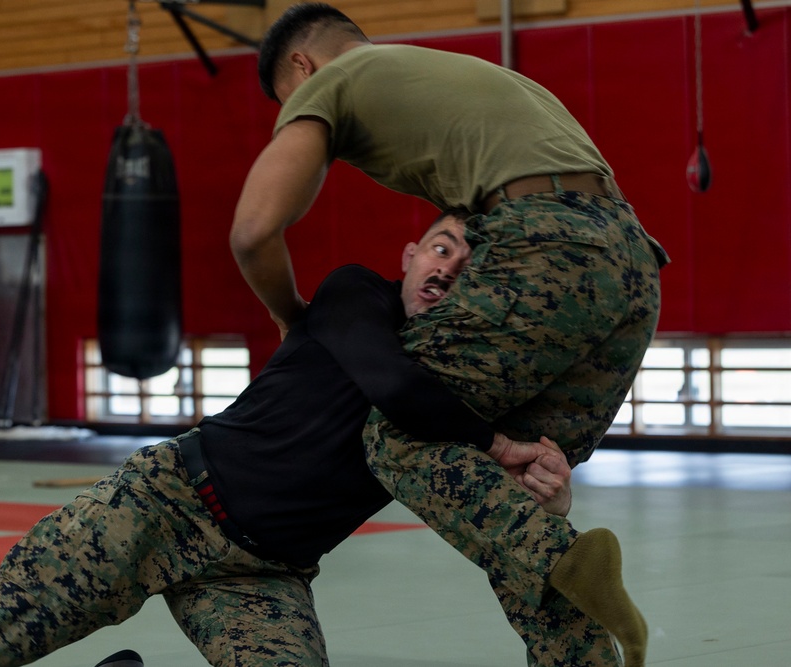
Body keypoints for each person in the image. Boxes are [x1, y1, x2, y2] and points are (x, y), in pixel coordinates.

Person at [0, 212, 640, 667]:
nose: (448, 269)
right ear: (411, 251)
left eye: (466, 268)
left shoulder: (459, 380)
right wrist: (499, 444)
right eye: (443, 247)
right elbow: (392, 387)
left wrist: (546, 482)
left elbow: (474, 465)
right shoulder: (357, 298)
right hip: (160, 507)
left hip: (262, 570)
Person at [231, 4, 667, 665]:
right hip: (634, 258)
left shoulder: (332, 79)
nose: (289, 117)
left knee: (402, 431)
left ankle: (562, 554)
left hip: (546, 241)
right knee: (518, 480)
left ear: (302, 65)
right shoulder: (451, 74)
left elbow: (253, 230)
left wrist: (292, 315)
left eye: (286, 103)